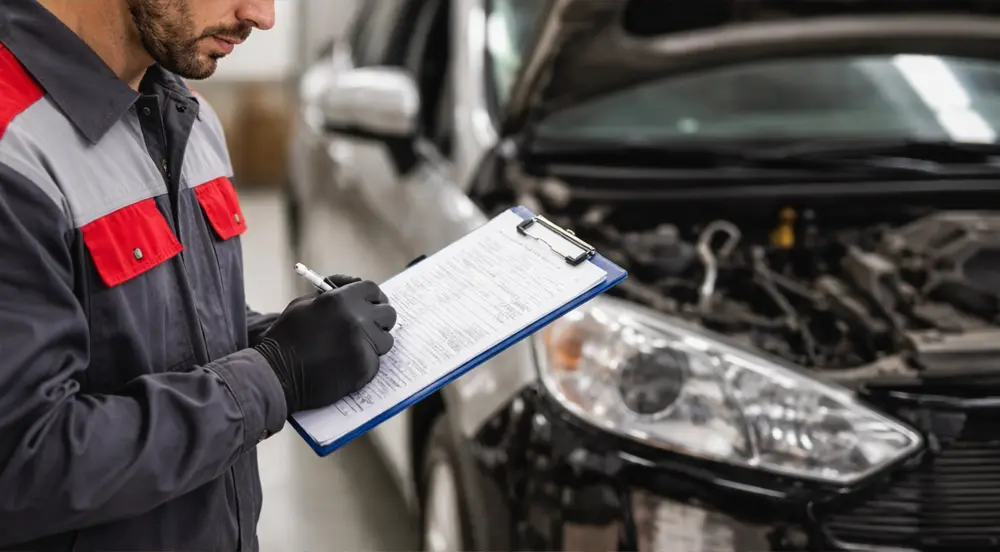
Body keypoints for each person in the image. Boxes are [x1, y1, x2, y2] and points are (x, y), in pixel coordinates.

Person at [0, 0, 398, 550]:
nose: (262, 16)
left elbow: (153, 339)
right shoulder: (13, 150)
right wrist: (275, 375)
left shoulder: (187, 115)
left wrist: (291, 336)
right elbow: (23, 462)